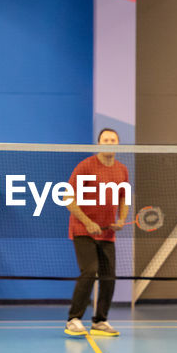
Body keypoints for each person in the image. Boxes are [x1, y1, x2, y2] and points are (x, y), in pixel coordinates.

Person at [64, 128, 129, 337]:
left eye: (112, 139)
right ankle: (73, 319)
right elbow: (68, 197)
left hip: (107, 232)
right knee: (90, 271)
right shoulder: (85, 166)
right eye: (105, 139)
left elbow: (124, 197)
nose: (109, 142)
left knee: (109, 277)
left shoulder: (122, 170)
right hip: (83, 229)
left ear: (117, 144)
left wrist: (121, 219)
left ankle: (100, 321)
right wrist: (87, 221)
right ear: (99, 143)